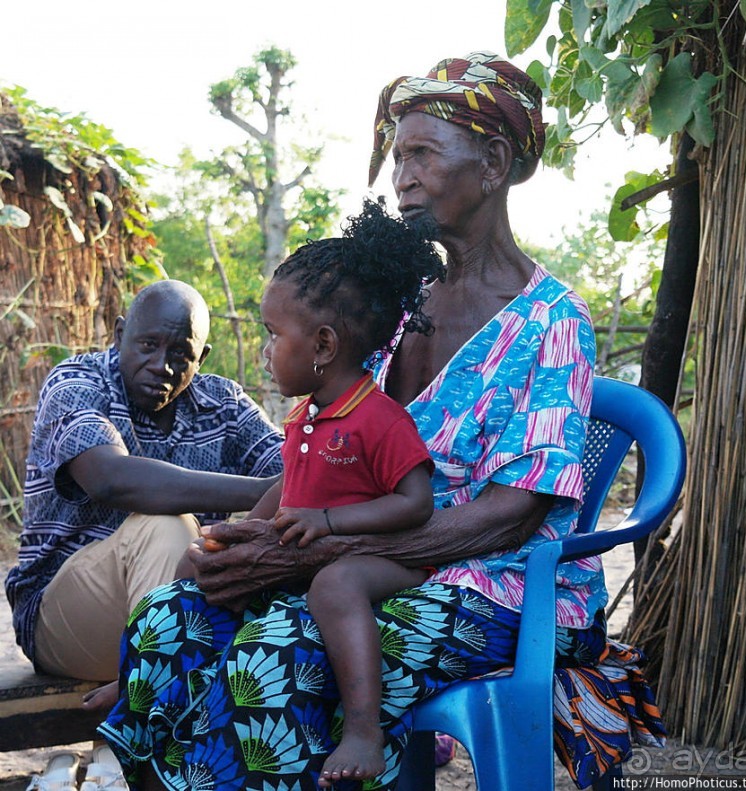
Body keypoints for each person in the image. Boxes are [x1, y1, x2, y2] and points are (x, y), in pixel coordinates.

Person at [98, 52, 665, 791]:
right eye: (399, 156)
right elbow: (333, 441)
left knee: (278, 652)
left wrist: (313, 555)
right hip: (362, 568)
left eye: (422, 154)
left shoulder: (551, 322)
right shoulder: (399, 304)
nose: (402, 175)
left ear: (493, 161)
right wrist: (263, 538)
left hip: (495, 585)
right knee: (176, 615)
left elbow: (510, 515)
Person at [220, 198, 441, 787]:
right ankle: (148, 678)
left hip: (387, 561)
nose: (266, 350)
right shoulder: (307, 416)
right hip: (329, 552)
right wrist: (239, 531)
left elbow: (416, 504)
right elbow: (286, 490)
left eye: (272, 335)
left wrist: (331, 522)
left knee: (334, 583)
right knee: (206, 568)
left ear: (322, 345)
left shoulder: (381, 419)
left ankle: (364, 730)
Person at [3, 279, 284, 683]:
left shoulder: (224, 404)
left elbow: (296, 466)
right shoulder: (78, 383)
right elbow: (110, 479)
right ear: (119, 335)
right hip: (64, 619)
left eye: (180, 354)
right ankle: (147, 717)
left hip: (186, 616)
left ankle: (143, 703)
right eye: (148, 345)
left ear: (201, 357)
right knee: (166, 525)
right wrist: (264, 490)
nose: (161, 365)